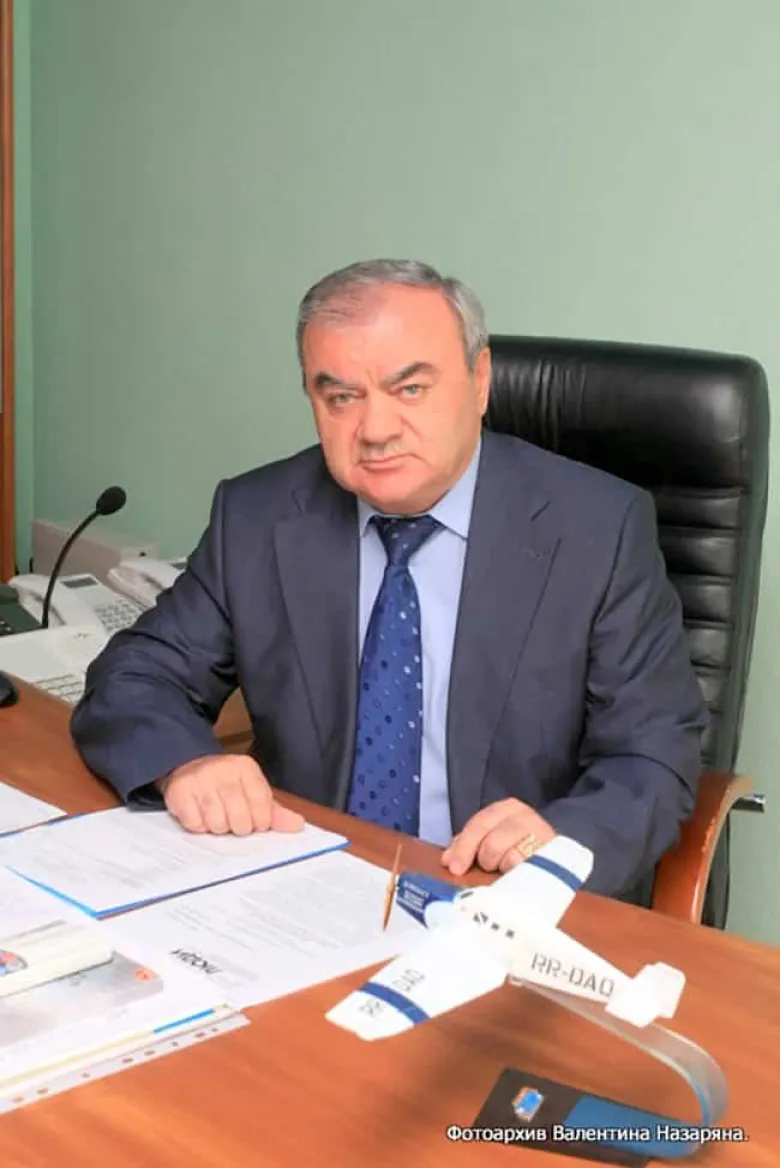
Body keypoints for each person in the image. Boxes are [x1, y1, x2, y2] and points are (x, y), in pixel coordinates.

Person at [70, 258, 709, 899]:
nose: (374, 431)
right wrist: (186, 763)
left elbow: (652, 755)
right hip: (304, 885)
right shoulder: (259, 517)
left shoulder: (597, 528)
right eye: (342, 398)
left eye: (410, 390)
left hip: (499, 899)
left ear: (480, 380)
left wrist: (558, 838)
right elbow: (136, 676)